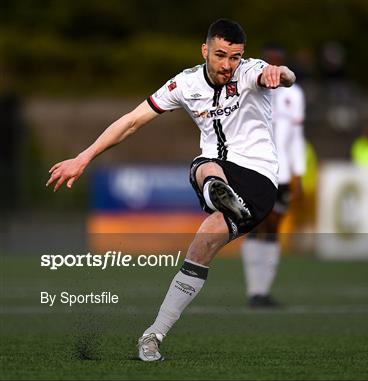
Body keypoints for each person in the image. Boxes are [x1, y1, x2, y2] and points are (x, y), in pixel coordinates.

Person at [45, 19, 296, 362]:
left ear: (243, 56)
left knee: (202, 168)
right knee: (200, 243)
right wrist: (84, 157)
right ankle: (153, 336)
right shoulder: (185, 83)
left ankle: (219, 193)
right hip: (217, 171)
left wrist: (280, 72)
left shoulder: (253, 71)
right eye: (220, 55)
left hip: (258, 182)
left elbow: (286, 76)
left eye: (234, 57)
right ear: (204, 50)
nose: (227, 65)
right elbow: (132, 121)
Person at [240, 44, 306, 308]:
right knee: (255, 225)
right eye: (271, 62)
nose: (275, 67)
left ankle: (264, 290)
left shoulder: (295, 94)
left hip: (284, 173)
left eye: (279, 62)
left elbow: (296, 138)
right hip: (257, 169)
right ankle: (253, 289)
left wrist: (298, 172)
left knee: (274, 227)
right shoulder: (250, 88)